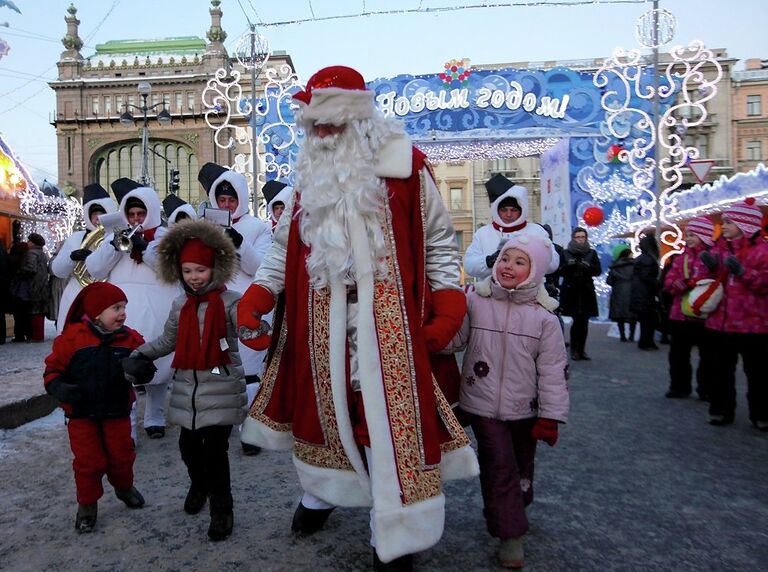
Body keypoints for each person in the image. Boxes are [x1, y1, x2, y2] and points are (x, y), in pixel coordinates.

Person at [237, 65, 478, 570]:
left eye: (328, 124)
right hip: (321, 326)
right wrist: (261, 291)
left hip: (388, 326)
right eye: (313, 126)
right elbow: (285, 249)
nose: (319, 134)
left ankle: (394, 530)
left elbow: (437, 244)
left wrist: (449, 302)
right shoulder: (309, 178)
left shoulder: (406, 167)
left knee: (386, 426)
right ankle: (325, 493)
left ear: (355, 119)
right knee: (326, 417)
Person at [447, 233, 568, 569]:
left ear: (535, 271)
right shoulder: (476, 301)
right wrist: (438, 325)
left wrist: (551, 415)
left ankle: (516, 503)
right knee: (499, 466)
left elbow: (554, 371)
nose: (508, 267)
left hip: (525, 410)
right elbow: (455, 340)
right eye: (504, 259)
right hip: (482, 405)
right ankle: (509, 534)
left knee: (521, 466)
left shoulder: (545, 318)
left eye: (519, 261)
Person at [124, 219, 247, 540]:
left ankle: (222, 510)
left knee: (216, 453)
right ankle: (199, 484)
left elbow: (248, 329)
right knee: (188, 448)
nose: (194, 277)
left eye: (201, 270)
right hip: (187, 388)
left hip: (220, 386)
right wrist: (142, 353)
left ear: (214, 269)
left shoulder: (230, 301)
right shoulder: (180, 304)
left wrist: (257, 327)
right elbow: (168, 340)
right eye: (188, 271)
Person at [43, 282, 148, 533]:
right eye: (116, 308)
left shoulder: (130, 339)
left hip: (117, 412)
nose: (122, 313)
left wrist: (142, 370)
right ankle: (87, 505)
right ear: (96, 312)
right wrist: (58, 386)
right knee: (88, 462)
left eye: (124, 307)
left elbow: (145, 363)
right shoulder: (72, 338)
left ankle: (124, 488)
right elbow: (53, 369)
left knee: (122, 457)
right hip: (81, 415)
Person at [86, 178, 180, 440]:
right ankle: (127, 425)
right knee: (124, 366)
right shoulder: (113, 235)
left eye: (141, 213)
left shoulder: (166, 237)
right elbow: (94, 269)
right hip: (123, 310)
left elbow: (170, 272)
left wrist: (145, 248)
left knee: (157, 366)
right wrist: (113, 247)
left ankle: (155, 417)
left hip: (157, 308)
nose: (136, 218)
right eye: (132, 214)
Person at [198, 162, 272, 456]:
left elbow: (262, 267)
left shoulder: (258, 227)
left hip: (246, 303)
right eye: (222, 200)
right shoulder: (205, 228)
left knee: (250, 371)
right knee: (219, 367)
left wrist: (238, 244)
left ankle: (250, 429)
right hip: (214, 303)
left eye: (231, 200)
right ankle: (222, 422)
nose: (226, 205)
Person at [700, 199, 768, 429]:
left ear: (745, 224)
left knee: (758, 373)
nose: (724, 226)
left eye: (729, 222)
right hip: (720, 321)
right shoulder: (719, 248)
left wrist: (742, 272)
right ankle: (720, 409)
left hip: (753, 323)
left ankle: (761, 414)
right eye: (723, 222)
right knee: (719, 370)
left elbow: (764, 283)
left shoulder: (763, 251)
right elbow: (709, 281)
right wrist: (709, 268)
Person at [464, 173, 559, 281]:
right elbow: (469, 265)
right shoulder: (483, 233)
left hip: (528, 295)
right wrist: (488, 261)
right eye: (504, 210)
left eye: (514, 210)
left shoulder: (537, 231)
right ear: (496, 210)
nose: (509, 214)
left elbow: (553, 263)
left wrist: (528, 259)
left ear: (521, 210)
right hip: (492, 294)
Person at [51, 183, 117, 334]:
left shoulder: (115, 238)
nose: (97, 219)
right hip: (76, 294)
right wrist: (71, 257)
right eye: (94, 215)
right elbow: (57, 271)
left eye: (102, 214)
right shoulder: (76, 238)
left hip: (106, 295)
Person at [662, 216, 715, 399]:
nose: (689, 238)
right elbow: (668, 281)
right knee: (678, 354)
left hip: (705, 313)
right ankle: (679, 386)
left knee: (708, 355)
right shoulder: (680, 258)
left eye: (693, 235)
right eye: (687, 235)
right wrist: (677, 284)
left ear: (705, 236)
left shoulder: (713, 258)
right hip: (680, 312)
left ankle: (706, 388)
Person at [559, 227, 601, 360]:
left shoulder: (592, 253)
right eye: (578, 237)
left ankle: (582, 349)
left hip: (586, 291)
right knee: (576, 320)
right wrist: (568, 266)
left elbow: (598, 270)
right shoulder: (566, 253)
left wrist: (588, 266)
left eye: (583, 237)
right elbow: (560, 270)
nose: (581, 240)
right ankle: (574, 350)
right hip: (572, 290)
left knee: (584, 321)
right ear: (573, 238)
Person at [9, 233, 50, 342]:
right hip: (42, 285)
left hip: (33, 285)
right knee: (39, 311)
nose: (28, 243)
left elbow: (30, 269)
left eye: (29, 241)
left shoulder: (31, 253)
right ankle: (38, 335)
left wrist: (19, 273)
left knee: (33, 311)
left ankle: (35, 336)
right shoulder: (42, 253)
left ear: (33, 243)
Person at [630, 233, 660, 350]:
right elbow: (646, 276)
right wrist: (658, 283)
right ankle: (645, 341)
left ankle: (647, 341)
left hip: (640, 292)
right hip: (645, 293)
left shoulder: (641, 258)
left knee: (646, 319)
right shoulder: (648, 259)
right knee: (648, 319)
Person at [607, 244, 636, 342]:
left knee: (620, 316)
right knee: (632, 315)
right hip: (632, 291)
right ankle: (631, 335)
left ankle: (622, 335)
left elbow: (609, 281)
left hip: (618, 292)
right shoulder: (635, 265)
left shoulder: (614, 266)